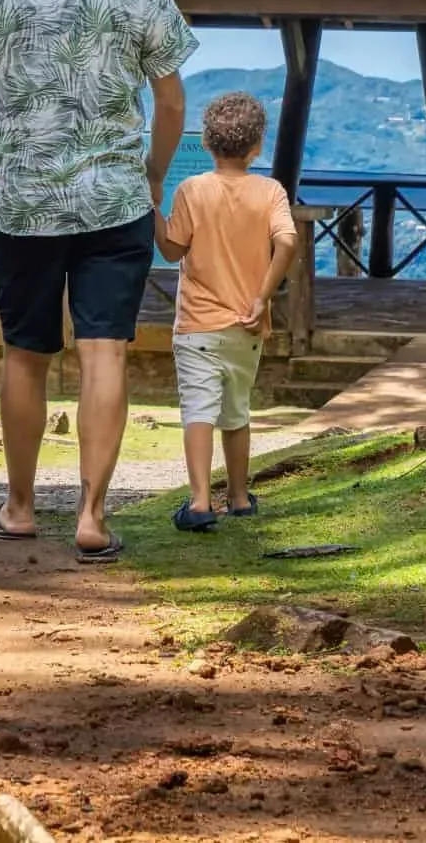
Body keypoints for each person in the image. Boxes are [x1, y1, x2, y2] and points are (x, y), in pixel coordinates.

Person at [0, 0, 195, 563]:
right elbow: (173, 100)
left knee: (24, 354)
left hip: (22, 201)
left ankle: (20, 507)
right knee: (105, 349)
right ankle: (91, 514)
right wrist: (151, 175)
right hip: (115, 199)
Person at [157, 91, 297, 531]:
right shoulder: (270, 190)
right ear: (257, 147)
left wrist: (151, 212)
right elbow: (288, 241)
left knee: (198, 409)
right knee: (236, 412)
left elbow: (170, 249)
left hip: (198, 322)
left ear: (206, 143)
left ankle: (200, 501)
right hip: (247, 323)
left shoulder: (191, 190)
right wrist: (262, 298)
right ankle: (239, 496)